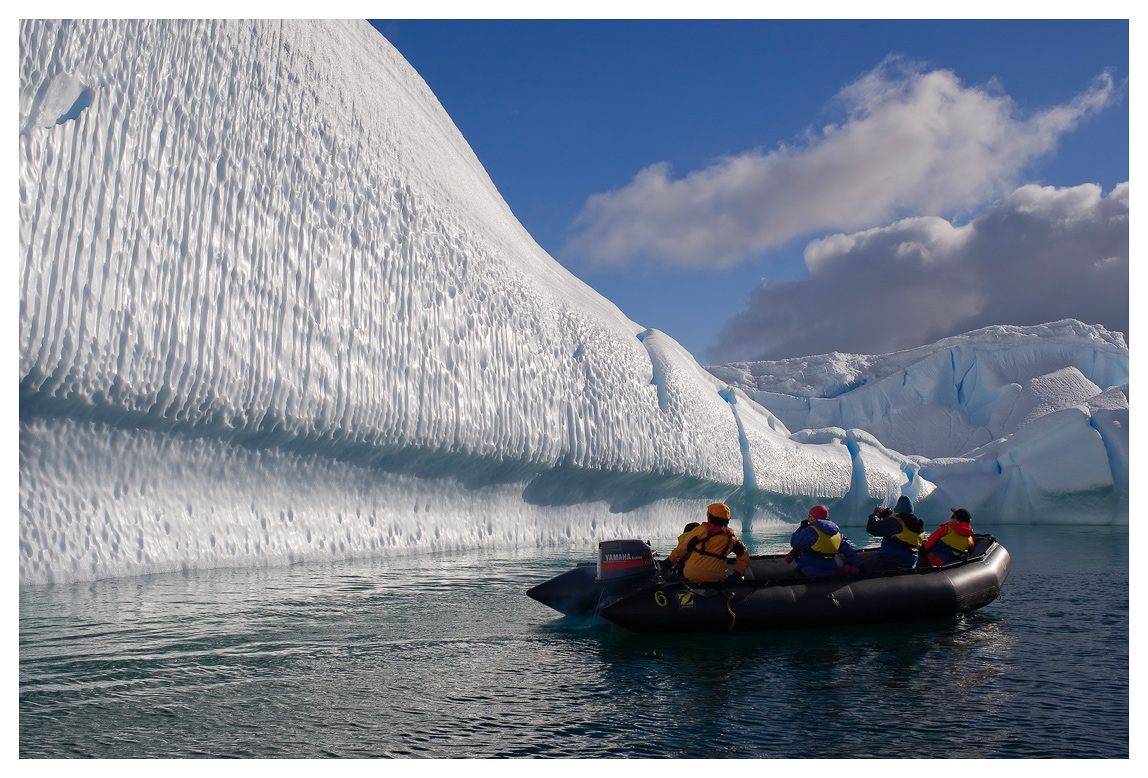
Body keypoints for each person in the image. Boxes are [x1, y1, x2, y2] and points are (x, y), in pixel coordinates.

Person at [665, 503, 749, 583]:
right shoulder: (731, 537)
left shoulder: (700, 531)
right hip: (717, 577)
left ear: (709, 516)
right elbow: (744, 555)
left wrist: (668, 563)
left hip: (692, 575)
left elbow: (682, 549)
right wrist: (738, 573)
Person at [785, 505, 861, 577]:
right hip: (830, 569)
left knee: (790, 575)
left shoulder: (811, 531)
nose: (808, 519)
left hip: (809, 569)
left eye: (810, 516)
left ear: (816, 517)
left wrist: (801, 528)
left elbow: (795, 543)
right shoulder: (837, 533)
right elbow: (850, 551)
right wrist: (859, 565)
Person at [860, 495, 926, 573]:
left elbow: (872, 528)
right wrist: (888, 516)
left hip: (891, 560)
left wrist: (876, 514)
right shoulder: (916, 524)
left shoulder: (896, 522)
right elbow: (897, 529)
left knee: (859, 567)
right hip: (909, 562)